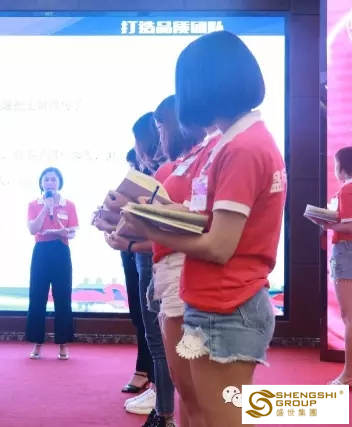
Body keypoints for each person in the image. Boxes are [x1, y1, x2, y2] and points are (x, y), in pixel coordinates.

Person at [122, 31, 284, 427]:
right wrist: (155, 214)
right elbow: (207, 221)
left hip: (227, 304)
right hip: (212, 301)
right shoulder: (236, 141)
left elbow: (218, 245)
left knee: (216, 416)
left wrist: (149, 228)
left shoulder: (242, 147)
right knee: (198, 411)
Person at [103, 112, 175, 426]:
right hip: (148, 257)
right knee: (153, 334)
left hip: (160, 260)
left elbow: (164, 227)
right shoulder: (157, 171)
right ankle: (162, 406)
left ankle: (164, 405)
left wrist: (123, 217)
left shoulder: (168, 172)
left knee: (161, 338)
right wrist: (113, 218)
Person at [26, 167, 79, 360]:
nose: (50, 183)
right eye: (46, 179)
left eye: (53, 180)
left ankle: (63, 343)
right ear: (41, 183)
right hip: (41, 251)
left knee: (63, 296)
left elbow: (73, 232)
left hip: (61, 251)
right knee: (37, 296)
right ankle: (37, 342)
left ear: (59, 183)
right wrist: (45, 208)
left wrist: (61, 232)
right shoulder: (34, 204)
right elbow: (33, 229)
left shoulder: (69, 205)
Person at [119, 148, 153, 394]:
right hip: (131, 251)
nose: (133, 167)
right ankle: (149, 374)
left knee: (150, 316)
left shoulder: (159, 179)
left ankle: (150, 375)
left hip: (150, 253)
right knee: (139, 314)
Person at [321, 146, 352, 386]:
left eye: (335, 164)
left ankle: (348, 375)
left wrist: (327, 224)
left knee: (349, 316)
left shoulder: (347, 189)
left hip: (346, 251)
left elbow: (349, 225)